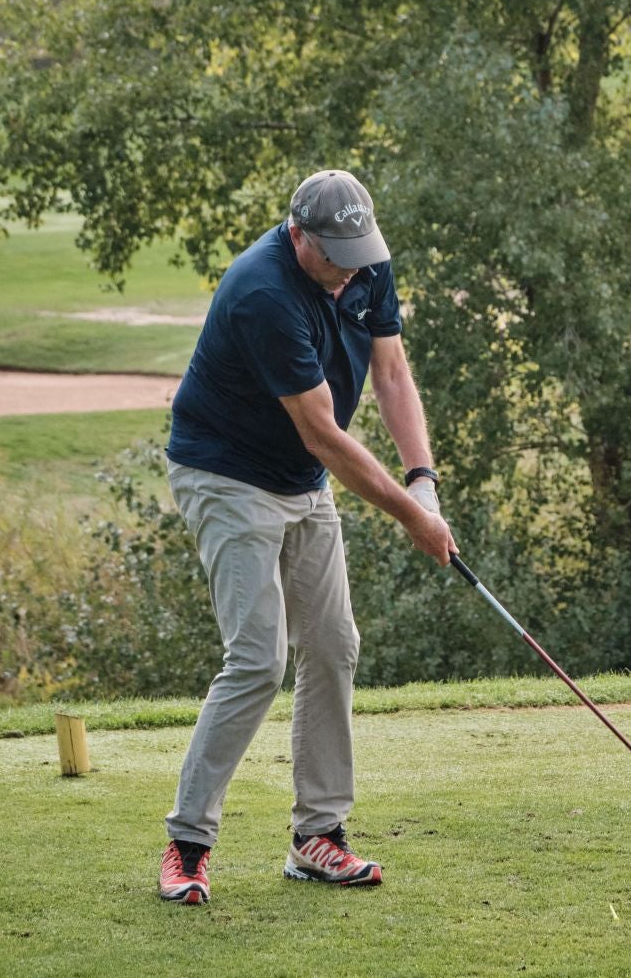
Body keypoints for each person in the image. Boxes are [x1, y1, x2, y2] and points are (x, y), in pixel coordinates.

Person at [156, 168, 455, 905]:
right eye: (336, 257)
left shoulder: (363, 261)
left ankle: (318, 837)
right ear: (299, 237)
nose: (351, 270)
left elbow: (390, 373)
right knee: (257, 659)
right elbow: (323, 434)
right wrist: (410, 518)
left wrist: (424, 478)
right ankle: (187, 844)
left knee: (332, 643)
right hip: (226, 475)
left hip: (301, 480)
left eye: (360, 254)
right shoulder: (263, 292)